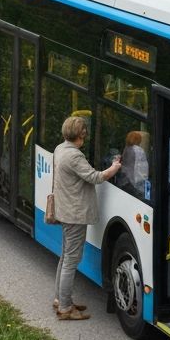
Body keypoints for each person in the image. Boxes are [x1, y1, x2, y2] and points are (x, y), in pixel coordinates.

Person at [51, 116, 121, 320]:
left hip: (65, 210)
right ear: (80, 135)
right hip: (75, 214)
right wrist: (114, 168)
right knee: (71, 260)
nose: (85, 136)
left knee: (65, 256)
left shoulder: (60, 149)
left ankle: (60, 299)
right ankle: (65, 308)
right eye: (84, 133)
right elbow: (95, 177)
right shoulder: (74, 156)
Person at [117, 130, 150, 197]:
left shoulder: (126, 148)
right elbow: (142, 169)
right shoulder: (139, 150)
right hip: (135, 183)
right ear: (138, 140)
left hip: (126, 181)